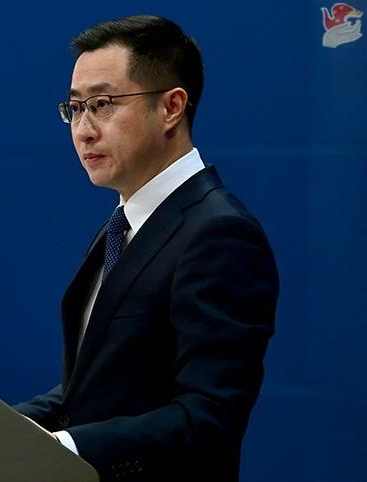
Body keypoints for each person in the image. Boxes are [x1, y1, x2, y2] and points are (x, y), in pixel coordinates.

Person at [14, 15, 279, 482]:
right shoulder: (124, 224)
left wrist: (68, 446)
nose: (83, 130)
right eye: (75, 108)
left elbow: (208, 416)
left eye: (102, 104)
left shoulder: (220, 232)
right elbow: (100, 384)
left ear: (171, 107)